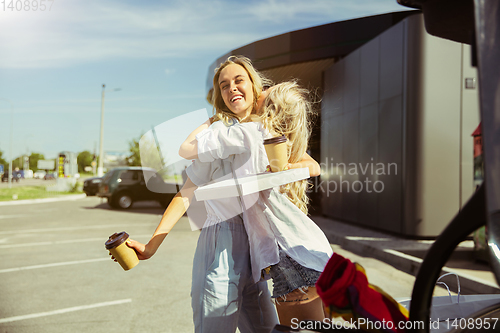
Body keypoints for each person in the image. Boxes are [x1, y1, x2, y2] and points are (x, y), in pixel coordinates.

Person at [120, 56, 281, 333]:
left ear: (254, 86)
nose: (232, 88)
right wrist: (151, 245)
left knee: (268, 328)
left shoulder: (268, 131)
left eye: (239, 80)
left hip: (259, 243)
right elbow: (185, 194)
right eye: (224, 85)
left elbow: (306, 164)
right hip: (221, 240)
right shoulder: (218, 134)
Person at [179, 78, 333, 326]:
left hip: (294, 260)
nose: (258, 90)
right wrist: (282, 169)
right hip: (305, 253)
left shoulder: (253, 133)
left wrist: (214, 118)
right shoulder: (273, 142)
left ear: (270, 107)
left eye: (264, 92)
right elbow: (313, 166)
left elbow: (186, 148)